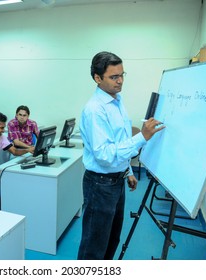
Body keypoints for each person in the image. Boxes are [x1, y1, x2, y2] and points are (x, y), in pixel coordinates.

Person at [77, 51, 165, 260]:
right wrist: (142, 136)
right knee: (94, 246)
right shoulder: (95, 110)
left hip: (115, 182)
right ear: (98, 78)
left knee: (111, 240)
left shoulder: (116, 100)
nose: (120, 81)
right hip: (100, 185)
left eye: (122, 74)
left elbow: (119, 141)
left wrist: (127, 171)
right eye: (114, 77)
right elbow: (105, 155)